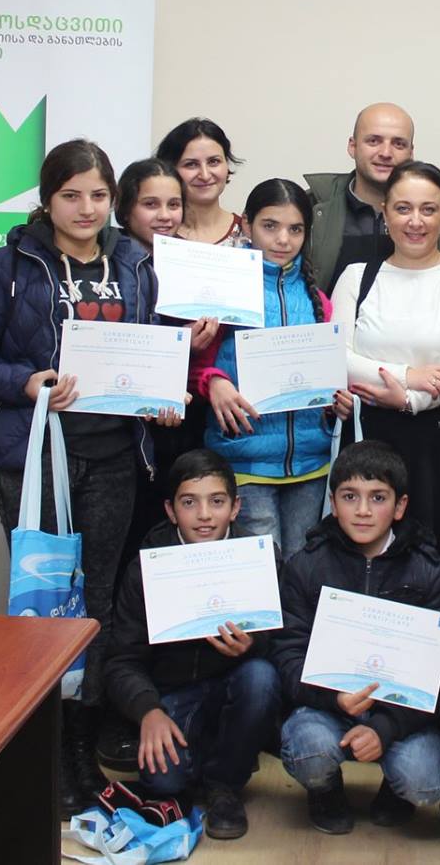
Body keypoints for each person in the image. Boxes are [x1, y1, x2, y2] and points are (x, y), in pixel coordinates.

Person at [0, 138, 183, 810]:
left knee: (97, 606)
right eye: (71, 195)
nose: (86, 208)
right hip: (36, 456)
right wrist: (25, 381)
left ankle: (80, 749)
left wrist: (162, 396)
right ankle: (39, 751)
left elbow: (155, 348)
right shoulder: (8, 267)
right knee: (43, 601)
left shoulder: (136, 264)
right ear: (47, 199)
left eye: (99, 195)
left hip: (114, 458)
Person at [273, 441, 440, 835]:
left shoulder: (428, 570)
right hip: (326, 705)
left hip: (400, 713)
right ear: (333, 503)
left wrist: (385, 728)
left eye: (378, 498)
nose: (362, 510)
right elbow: (288, 655)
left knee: (425, 781)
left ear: (400, 506)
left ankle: (396, 791)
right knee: (308, 748)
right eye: (349, 497)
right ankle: (324, 789)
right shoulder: (305, 565)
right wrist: (333, 699)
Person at [105, 450, 282, 840]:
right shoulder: (147, 567)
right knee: (164, 783)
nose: (204, 515)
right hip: (171, 695)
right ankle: (200, 756)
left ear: (235, 508)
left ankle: (225, 785)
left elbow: (283, 641)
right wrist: (148, 711)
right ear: (171, 511)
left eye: (216, 501)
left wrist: (253, 645)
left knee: (262, 677)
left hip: (233, 685)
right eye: (189, 503)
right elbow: (121, 660)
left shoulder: (260, 558)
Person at [331, 161, 440, 561]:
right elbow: (336, 354)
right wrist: (409, 375)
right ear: (385, 213)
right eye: (403, 208)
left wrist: (410, 399)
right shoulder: (357, 277)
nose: (415, 221)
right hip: (368, 441)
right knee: (367, 562)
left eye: (429, 209)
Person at [193, 179, 354, 556]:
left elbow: (331, 372)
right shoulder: (223, 289)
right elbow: (195, 361)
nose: (283, 239)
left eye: (295, 229)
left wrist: (337, 402)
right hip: (245, 458)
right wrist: (213, 382)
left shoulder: (318, 299)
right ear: (247, 225)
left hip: (312, 463)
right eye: (270, 226)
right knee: (263, 565)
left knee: (302, 562)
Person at [117, 156, 213, 548]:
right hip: (129, 429)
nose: (164, 215)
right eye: (150, 204)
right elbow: (117, 344)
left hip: (187, 420)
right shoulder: (109, 264)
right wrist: (178, 345)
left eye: (173, 204)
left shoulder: (193, 261)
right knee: (133, 537)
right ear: (125, 209)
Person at [307, 102, 440, 290]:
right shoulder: (312, 208)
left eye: (398, 144)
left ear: (411, 152)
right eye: (373, 141)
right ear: (352, 146)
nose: (386, 153)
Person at [155, 117, 249, 246]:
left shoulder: (249, 233)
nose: (205, 175)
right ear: (170, 169)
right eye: (191, 164)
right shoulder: (156, 234)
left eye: (213, 161)